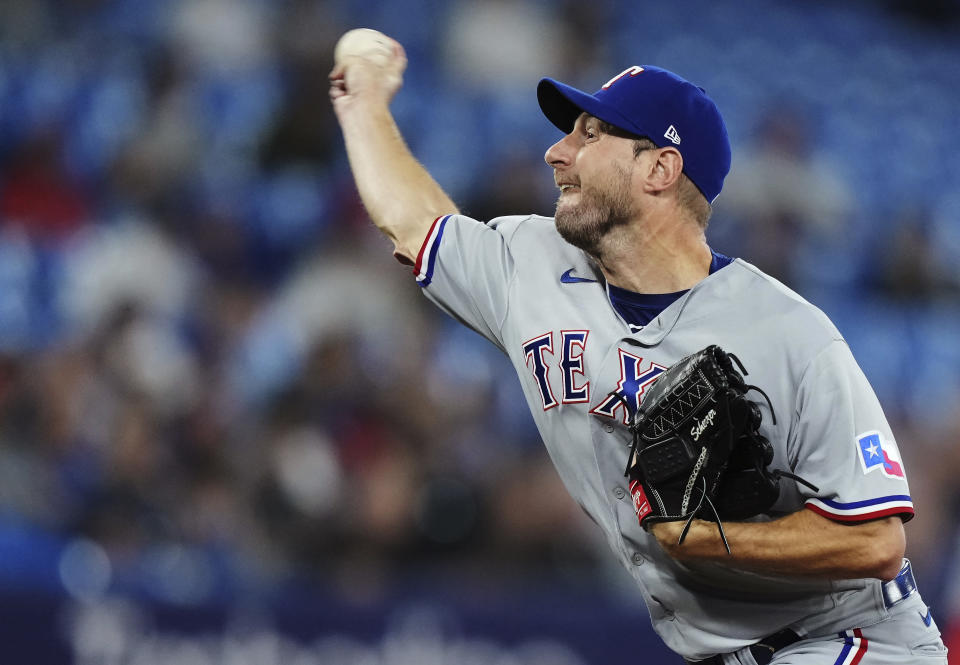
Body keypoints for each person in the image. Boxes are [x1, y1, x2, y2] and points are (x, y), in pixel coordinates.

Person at [328, 33, 949, 665]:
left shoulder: (789, 334)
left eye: (590, 135)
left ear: (660, 168)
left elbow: (876, 541)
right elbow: (416, 225)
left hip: (853, 643)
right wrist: (365, 108)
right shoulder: (532, 265)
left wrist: (708, 539)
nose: (556, 152)